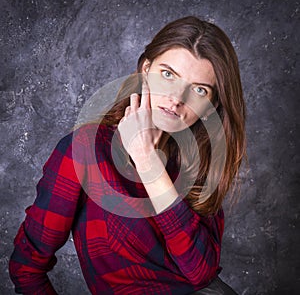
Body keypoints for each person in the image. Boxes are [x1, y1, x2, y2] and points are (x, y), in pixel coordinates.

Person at [9, 16, 246, 294]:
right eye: (168, 75)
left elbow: (200, 273)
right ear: (146, 69)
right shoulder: (86, 150)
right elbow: (26, 269)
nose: (176, 99)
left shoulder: (201, 160)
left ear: (211, 105)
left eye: (199, 90)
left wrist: (148, 162)